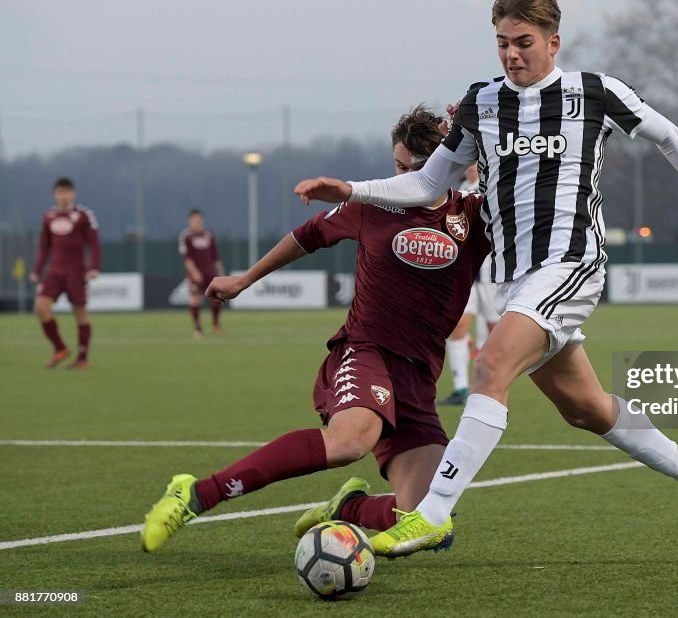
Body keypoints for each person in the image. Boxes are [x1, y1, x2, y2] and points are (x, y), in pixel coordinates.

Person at [294, 0, 678, 558]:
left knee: (492, 368)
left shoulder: (594, 92)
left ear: (553, 42)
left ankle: (432, 514)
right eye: (503, 42)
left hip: (571, 263)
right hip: (515, 277)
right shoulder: (481, 102)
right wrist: (355, 189)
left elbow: (668, 135)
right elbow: (429, 182)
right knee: (586, 408)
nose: (512, 54)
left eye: (524, 42)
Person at [141, 107, 490, 553]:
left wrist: (484, 131)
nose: (405, 178)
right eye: (399, 167)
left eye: (418, 170)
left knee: (427, 517)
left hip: (420, 376)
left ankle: (347, 508)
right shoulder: (373, 203)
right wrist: (245, 278)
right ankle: (194, 493)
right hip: (366, 351)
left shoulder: (475, 217)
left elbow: (518, 190)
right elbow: (307, 236)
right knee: (350, 442)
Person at [440, 165, 501, 406]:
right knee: (457, 328)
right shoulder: (461, 191)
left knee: (496, 331)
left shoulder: (490, 188)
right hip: (467, 272)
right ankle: (461, 388)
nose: (469, 167)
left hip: (490, 269)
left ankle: (488, 387)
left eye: (474, 162)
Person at [30, 177, 100, 369]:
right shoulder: (48, 217)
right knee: (41, 307)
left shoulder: (84, 215)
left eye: (67, 192)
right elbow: (44, 246)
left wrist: (94, 267)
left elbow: (94, 242)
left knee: (81, 314)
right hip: (55, 270)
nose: (63, 196)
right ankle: (60, 348)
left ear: (73, 194)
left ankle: (82, 358)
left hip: (76, 272)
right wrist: (37, 269)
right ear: (55, 194)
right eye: (60, 192)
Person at [178, 209, 225, 338]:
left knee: (217, 298)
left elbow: (216, 256)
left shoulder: (209, 234)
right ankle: (198, 329)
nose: (197, 221)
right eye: (194, 219)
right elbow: (187, 258)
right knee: (195, 299)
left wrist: (220, 272)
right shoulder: (186, 236)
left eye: (199, 219)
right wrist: (194, 273)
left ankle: (215, 325)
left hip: (210, 273)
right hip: (196, 274)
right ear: (189, 221)